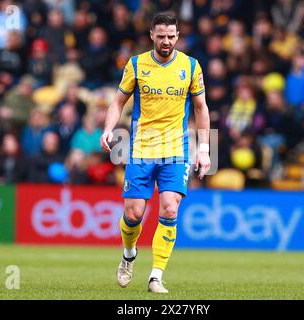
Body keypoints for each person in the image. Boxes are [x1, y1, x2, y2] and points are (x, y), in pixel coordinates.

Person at [100, 12, 210, 294]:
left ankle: (156, 276)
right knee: (134, 214)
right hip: (142, 149)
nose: (166, 41)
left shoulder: (191, 66)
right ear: (151, 35)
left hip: (176, 149)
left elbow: (201, 108)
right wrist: (108, 129)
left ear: (177, 35)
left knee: (170, 207)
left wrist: (205, 149)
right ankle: (128, 254)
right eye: (161, 36)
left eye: (171, 36)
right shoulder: (136, 65)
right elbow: (117, 102)